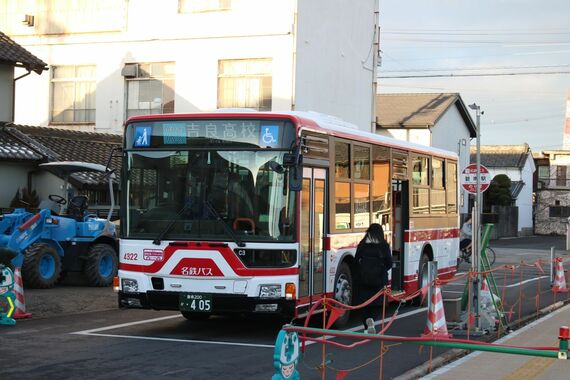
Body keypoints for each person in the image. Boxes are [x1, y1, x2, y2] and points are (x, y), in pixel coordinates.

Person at [355, 223, 393, 334]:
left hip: (364, 281)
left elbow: (356, 261)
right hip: (379, 281)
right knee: (377, 303)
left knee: (365, 304)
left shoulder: (362, 245)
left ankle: (366, 326)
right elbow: (389, 263)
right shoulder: (384, 246)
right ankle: (372, 320)